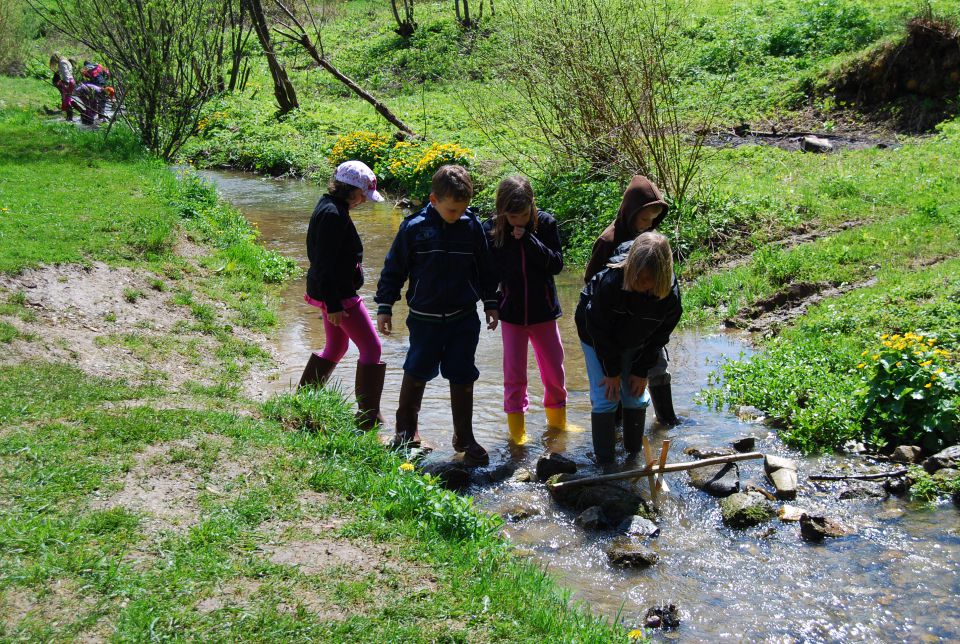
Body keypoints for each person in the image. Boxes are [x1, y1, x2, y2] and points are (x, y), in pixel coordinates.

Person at [375, 164, 499, 465]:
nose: (457, 214)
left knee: (463, 374)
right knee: (417, 371)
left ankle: (464, 437)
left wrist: (491, 303)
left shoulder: (471, 228)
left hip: (463, 318)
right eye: (452, 210)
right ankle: (405, 432)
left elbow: (486, 269)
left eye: (463, 208)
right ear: (434, 200)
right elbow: (395, 268)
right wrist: (384, 305)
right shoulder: (414, 228)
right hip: (424, 318)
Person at [576, 232, 682, 466]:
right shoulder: (612, 282)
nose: (641, 284)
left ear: (662, 277)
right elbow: (599, 330)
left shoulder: (670, 299)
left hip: (637, 339)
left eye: (647, 280)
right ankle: (605, 465)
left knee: (634, 394)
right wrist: (611, 372)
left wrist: (641, 370)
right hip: (595, 334)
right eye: (637, 277)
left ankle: (632, 457)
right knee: (606, 396)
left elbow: (658, 337)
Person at [583, 175, 681, 426]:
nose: (647, 224)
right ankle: (615, 423)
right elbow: (593, 286)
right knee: (612, 376)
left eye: (653, 220)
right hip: (615, 318)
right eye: (643, 218)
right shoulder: (609, 241)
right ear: (630, 212)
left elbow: (668, 306)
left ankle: (666, 419)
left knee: (656, 365)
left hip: (648, 321)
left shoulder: (651, 241)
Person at [299, 160, 387, 431]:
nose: (363, 201)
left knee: (336, 347)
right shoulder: (333, 216)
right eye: (363, 195)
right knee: (372, 348)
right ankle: (368, 418)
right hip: (338, 294)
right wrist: (334, 304)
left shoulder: (330, 207)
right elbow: (324, 263)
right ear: (351, 190)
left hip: (329, 291)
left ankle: (304, 400)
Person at [483, 176, 567, 445]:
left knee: (555, 371)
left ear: (532, 205)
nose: (518, 220)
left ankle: (558, 426)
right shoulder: (492, 231)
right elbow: (488, 276)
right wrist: (491, 305)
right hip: (512, 315)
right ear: (501, 211)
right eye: (512, 216)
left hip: (544, 312)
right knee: (514, 375)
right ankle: (517, 433)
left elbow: (555, 265)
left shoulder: (546, 224)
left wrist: (529, 240)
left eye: (523, 214)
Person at [49, 53, 75, 121]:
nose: (54, 63)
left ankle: (70, 118)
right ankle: (70, 117)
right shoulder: (65, 61)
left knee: (66, 100)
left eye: (53, 61)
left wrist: (65, 82)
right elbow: (66, 72)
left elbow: (65, 73)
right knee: (67, 99)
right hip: (71, 81)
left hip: (68, 82)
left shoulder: (62, 62)